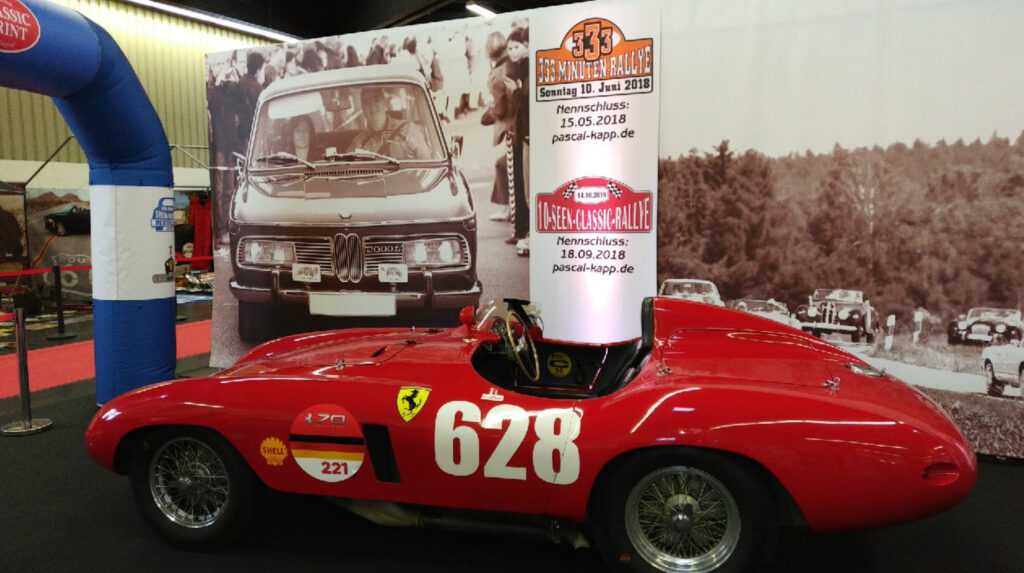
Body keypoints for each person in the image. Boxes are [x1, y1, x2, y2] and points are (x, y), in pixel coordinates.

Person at [348, 88, 431, 159]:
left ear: (384, 103)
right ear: (363, 109)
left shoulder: (408, 128)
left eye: (376, 100)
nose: (372, 106)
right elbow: (347, 167)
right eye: (367, 102)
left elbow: (428, 160)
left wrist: (416, 149)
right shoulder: (358, 143)